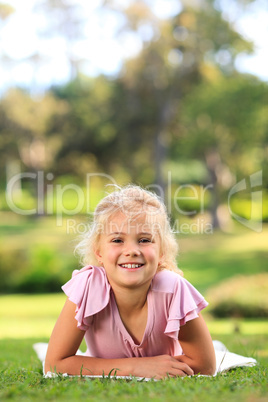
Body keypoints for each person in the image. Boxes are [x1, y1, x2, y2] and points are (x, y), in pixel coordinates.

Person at [45, 185, 216, 379]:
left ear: (161, 252)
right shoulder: (88, 287)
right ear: (99, 252)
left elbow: (206, 365)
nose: (132, 250)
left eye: (144, 240)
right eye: (117, 240)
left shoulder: (173, 289)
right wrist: (136, 367)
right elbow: (54, 364)